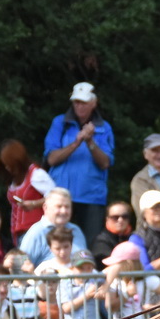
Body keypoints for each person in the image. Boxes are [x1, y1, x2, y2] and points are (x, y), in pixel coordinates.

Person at [43, 82, 113, 242]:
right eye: (76, 102)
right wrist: (77, 141)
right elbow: (52, 159)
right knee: (55, 243)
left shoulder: (104, 128)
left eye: (84, 102)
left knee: (90, 246)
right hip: (61, 197)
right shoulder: (60, 123)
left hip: (91, 198)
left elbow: (105, 163)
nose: (79, 106)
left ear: (93, 103)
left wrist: (90, 142)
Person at [18, 188, 88, 267]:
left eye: (67, 207)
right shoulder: (36, 233)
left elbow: (86, 263)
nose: (63, 211)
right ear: (45, 207)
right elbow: (21, 263)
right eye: (59, 206)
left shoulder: (76, 231)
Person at [89, 200, 147, 267]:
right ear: (107, 219)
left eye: (124, 216)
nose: (120, 220)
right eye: (115, 217)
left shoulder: (137, 237)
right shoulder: (100, 241)